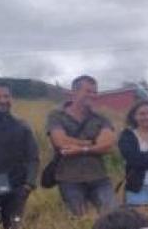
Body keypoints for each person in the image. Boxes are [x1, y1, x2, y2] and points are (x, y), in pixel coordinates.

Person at [47, 75, 116, 216]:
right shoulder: (56, 115)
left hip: (99, 177)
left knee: (112, 216)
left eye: (95, 92)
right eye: (88, 91)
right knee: (79, 220)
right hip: (69, 179)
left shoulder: (101, 118)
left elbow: (107, 145)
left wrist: (80, 149)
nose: (93, 95)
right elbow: (60, 142)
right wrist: (91, 143)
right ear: (74, 92)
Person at [0, 82, 38, 229]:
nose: (3, 100)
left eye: (6, 96)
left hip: (16, 188)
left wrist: (29, 183)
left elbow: (33, 156)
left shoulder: (20, 125)